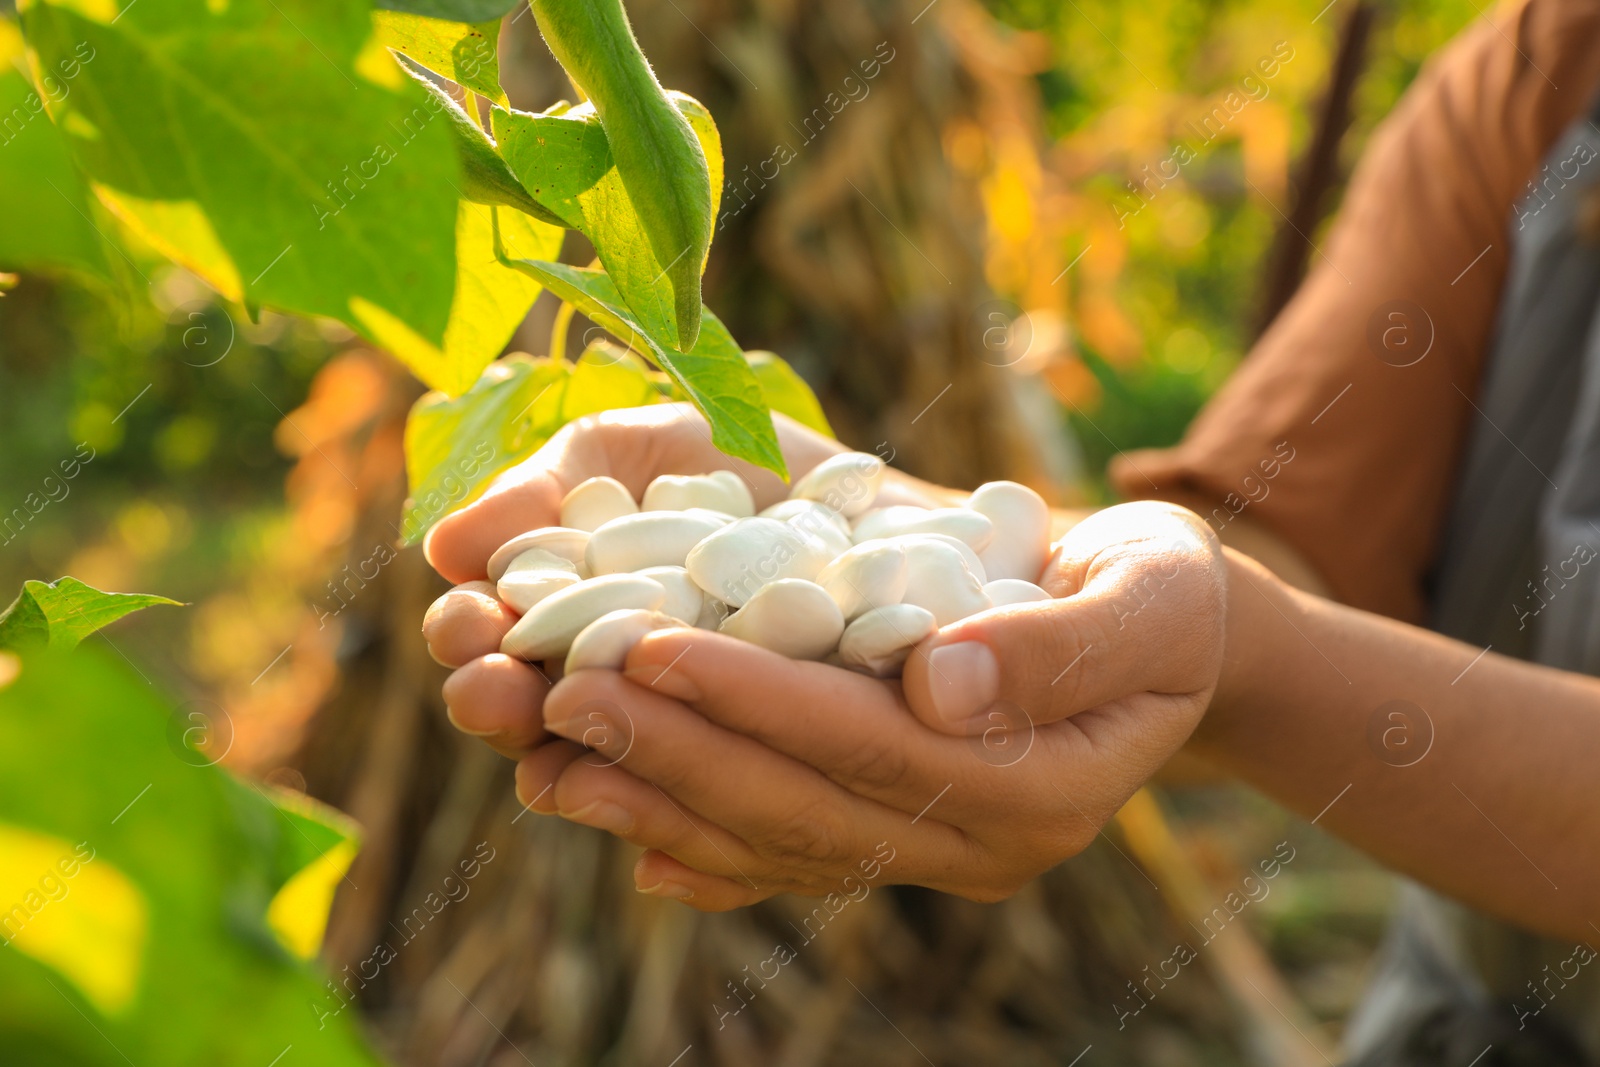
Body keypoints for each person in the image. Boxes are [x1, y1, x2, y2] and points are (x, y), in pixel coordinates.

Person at [422, 0, 1600, 1057]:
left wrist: (1238, 654)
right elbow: (1265, 550)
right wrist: (990, 571)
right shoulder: (1547, 64)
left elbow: (1249, 620)